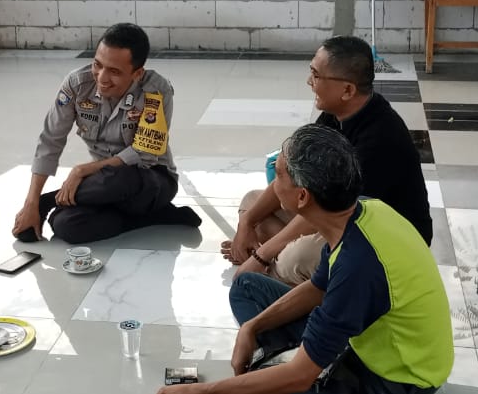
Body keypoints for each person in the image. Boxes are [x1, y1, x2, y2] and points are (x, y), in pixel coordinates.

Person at [159, 124, 453, 394]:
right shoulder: (363, 210)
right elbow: (317, 287)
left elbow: (299, 377)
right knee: (246, 286)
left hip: (399, 379)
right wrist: (253, 326)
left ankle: (288, 366)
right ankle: (286, 362)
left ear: (302, 197)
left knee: (292, 381)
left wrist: (200, 391)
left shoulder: (357, 265)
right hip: (363, 340)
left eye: (280, 173)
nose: (273, 179)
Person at [222, 36, 431, 286]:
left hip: (387, 244)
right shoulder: (336, 115)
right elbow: (290, 174)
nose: (309, 81)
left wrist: (261, 254)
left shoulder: (380, 141)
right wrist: (246, 223)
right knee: (252, 203)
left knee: (297, 257)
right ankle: (279, 264)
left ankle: (277, 266)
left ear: (347, 90)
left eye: (316, 75)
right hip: (339, 219)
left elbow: (333, 211)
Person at [12, 23, 202, 244]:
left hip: (150, 179)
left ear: (137, 73)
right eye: (97, 65)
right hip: (101, 185)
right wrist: (30, 202)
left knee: (120, 178)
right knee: (65, 225)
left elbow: (145, 154)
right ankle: (156, 216)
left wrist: (81, 172)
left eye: (114, 71)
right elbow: (50, 141)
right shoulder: (77, 84)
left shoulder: (156, 91)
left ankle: (50, 201)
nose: (102, 78)